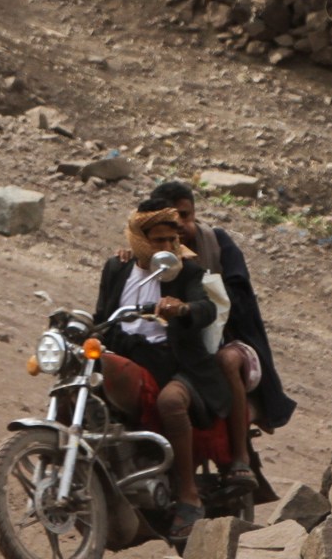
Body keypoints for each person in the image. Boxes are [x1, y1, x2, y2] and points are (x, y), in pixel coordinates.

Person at [143, 178, 295, 488]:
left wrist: (200, 296)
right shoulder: (153, 250)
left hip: (229, 337)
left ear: (194, 213)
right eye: (171, 218)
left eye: (185, 215)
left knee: (226, 361)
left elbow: (240, 299)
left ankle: (240, 457)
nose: (180, 225)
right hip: (177, 339)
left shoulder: (217, 243)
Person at [95, 204, 230, 542]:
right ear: (139, 241)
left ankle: (188, 495)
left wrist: (182, 308)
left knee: (170, 402)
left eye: (172, 239)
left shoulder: (186, 271)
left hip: (177, 364)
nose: (168, 247)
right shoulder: (116, 267)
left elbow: (206, 308)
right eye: (159, 240)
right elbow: (101, 316)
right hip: (126, 355)